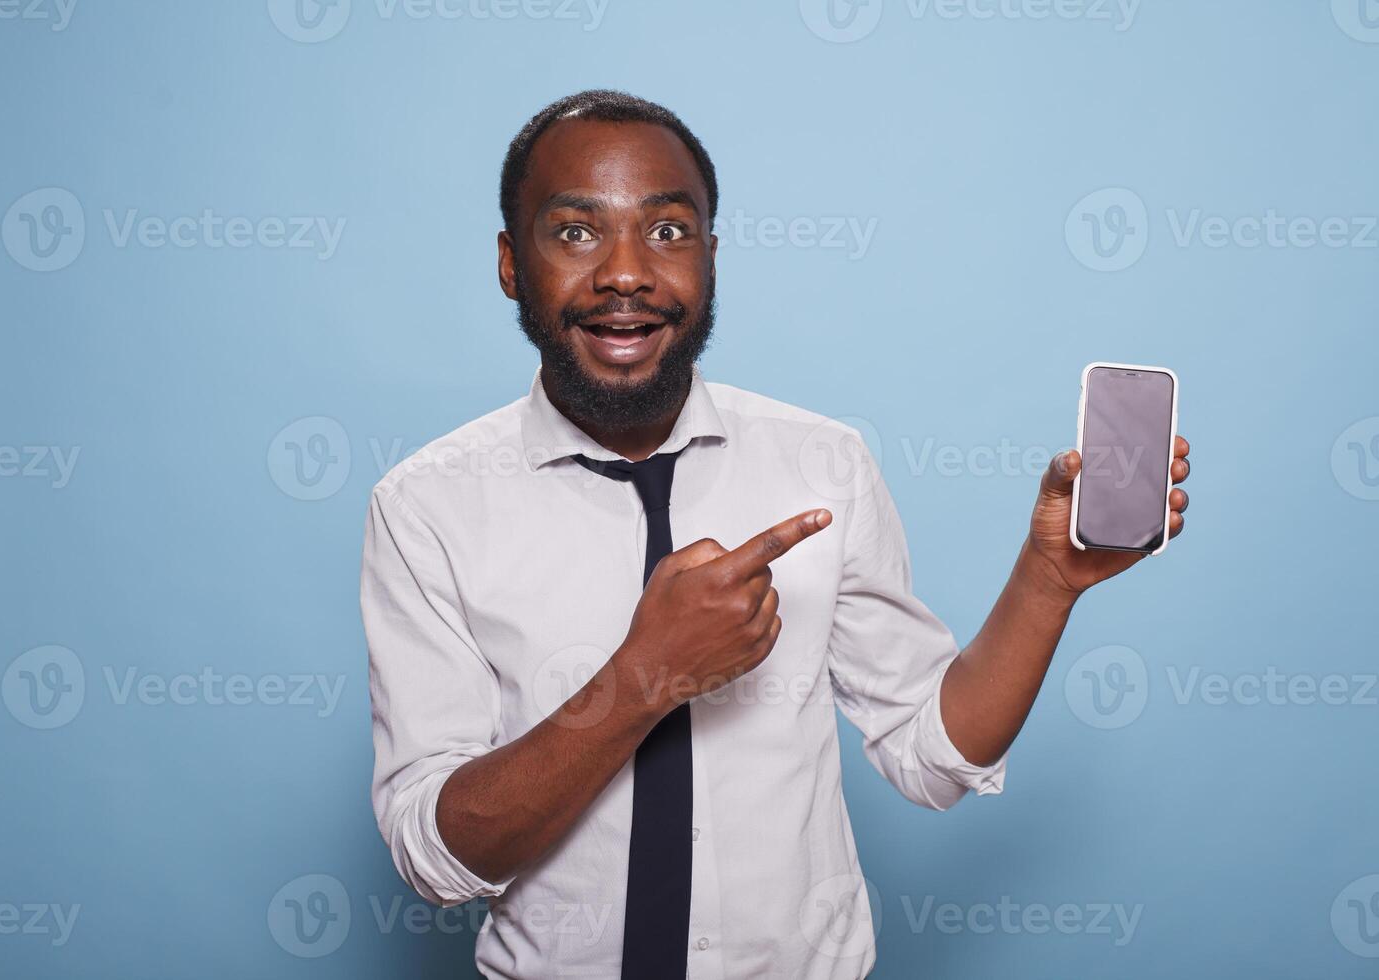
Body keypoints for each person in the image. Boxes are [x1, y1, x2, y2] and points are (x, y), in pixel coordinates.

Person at [360, 89, 1192, 980]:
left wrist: (1047, 582)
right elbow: (437, 859)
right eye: (576, 232)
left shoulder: (824, 463)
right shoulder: (426, 508)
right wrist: (647, 677)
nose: (627, 273)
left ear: (712, 261)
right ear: (510, 264)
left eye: (669, 232)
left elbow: (933, 756)